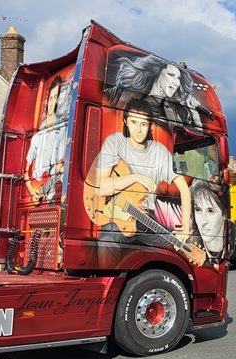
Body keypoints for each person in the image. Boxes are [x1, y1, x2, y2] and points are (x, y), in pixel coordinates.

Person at [96, 99, 192, 243]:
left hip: (146, 218)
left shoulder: (159, 151)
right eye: (134, 122)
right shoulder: (114, 142)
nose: (139, 130)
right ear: (125, 121)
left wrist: (185, 228)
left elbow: (184, 190)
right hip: (116, 215)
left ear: (150, 126)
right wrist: (136, 177)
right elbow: (100, 188)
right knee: (108, 241)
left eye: (143, 124)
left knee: (181, 246)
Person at [105, 54, 201, 129]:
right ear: (157, 74)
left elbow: (197, 135)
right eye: (171, 75)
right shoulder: (120, 94)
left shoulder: (175, 111)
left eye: (178, 78)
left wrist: (194, 112)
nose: (176, 83)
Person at [24, 76, 68, 204]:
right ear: (47, 100)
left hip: (54, 195)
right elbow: (26, 172)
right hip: (39, 192)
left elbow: (63, 165)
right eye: (50, 97)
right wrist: (33, 193)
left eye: (56, 98)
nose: (52, 102)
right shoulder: (37, 138)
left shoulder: (65, 132)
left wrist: (60, 169)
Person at [189, 179, 226, 269]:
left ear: (224, 214)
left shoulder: (230, 243)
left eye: (210, 211)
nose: (203, 221)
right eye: (198, 210)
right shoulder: (191, 246)